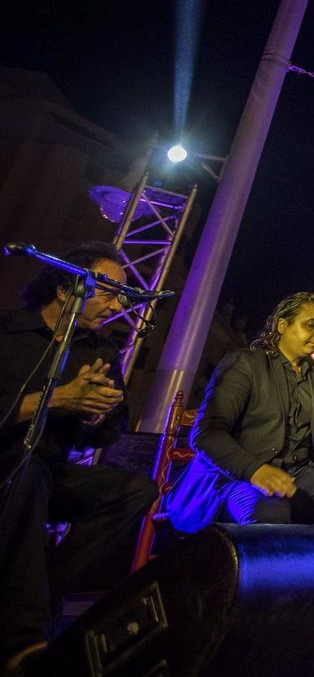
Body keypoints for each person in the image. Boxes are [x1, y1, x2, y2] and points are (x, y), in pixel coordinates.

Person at [0, 244, 158, 674]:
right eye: (107, 291)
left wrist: (94, 416)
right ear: (64, 288)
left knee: (136, 490)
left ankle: (38, 593)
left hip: (48, 473)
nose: (118, 304)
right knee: (28, 471)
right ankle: (24, 641)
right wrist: (59, 398)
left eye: (122, 294)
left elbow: (112, 428)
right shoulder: (7, 330)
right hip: (6, 463)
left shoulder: (99, 350)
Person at [168, 292, 314, 531]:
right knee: (271, 513)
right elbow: (205, 434)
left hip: (299, 473)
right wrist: (255, 469)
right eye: (311, 324)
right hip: (236, 476)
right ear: (282, 325)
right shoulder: (244, 363)